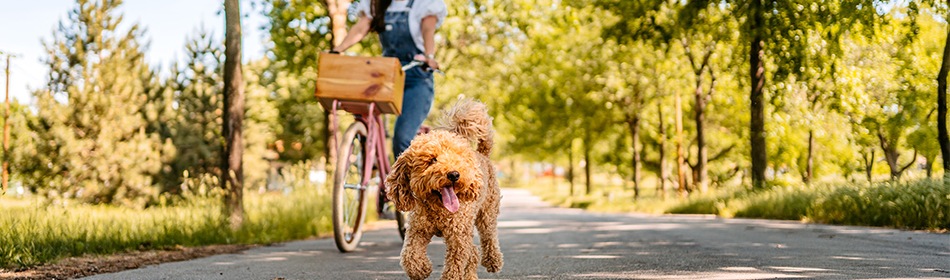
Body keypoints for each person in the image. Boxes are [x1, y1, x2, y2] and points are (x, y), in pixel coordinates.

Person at [332, 0, 447, 158]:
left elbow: (428, 30)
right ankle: (370, 161)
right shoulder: (377, 3)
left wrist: (429, 56)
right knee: (362, 112)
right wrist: (337, 50)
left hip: (416, 75)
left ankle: (408, 181)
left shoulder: (424, 3)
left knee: (402, 138)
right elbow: (360, 28)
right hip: (386, 75)